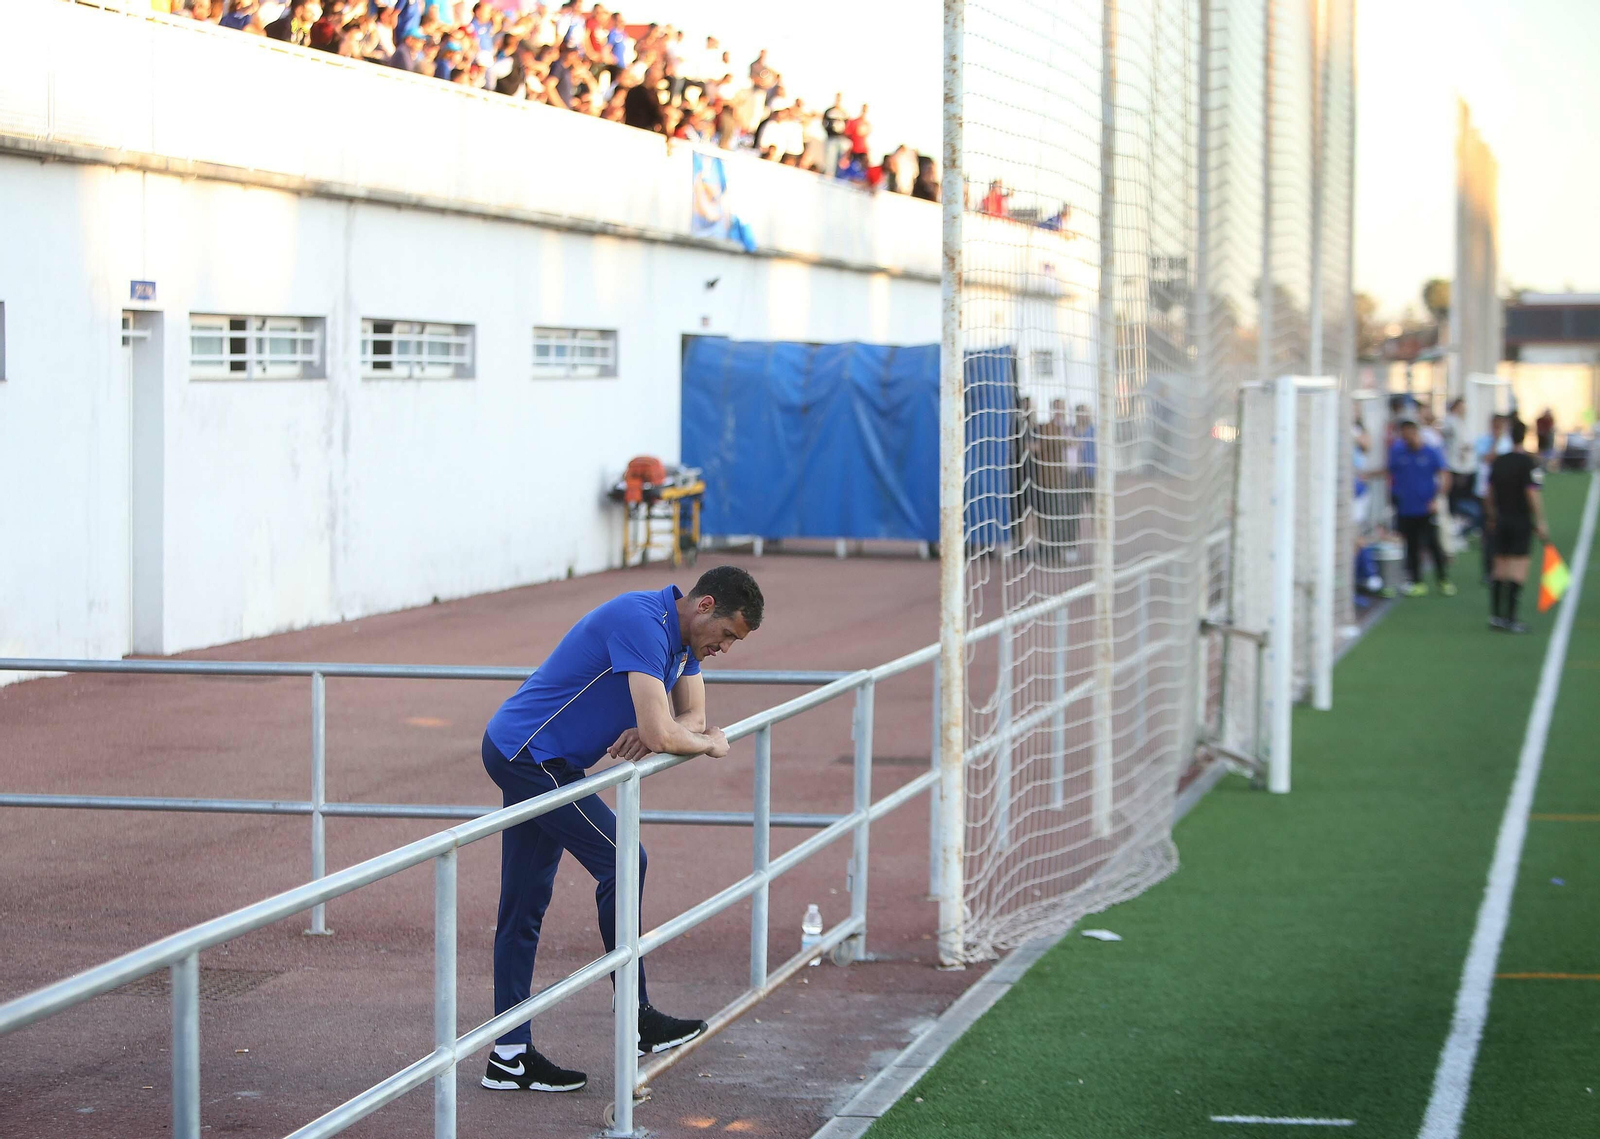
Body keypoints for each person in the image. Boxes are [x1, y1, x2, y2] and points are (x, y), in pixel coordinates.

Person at [480, 566, 765, 1093]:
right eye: (727, 634)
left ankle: (509, 1055)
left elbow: (690, 716)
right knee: (623, 860)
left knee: (524, 903)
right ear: (704, 606)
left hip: (548, 761)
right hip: (527, 756)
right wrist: (706, 743)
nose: (726, 647)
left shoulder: (684, 646)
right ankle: (636, 1018)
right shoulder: (642, 621)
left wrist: (676, 733)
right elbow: (679, 731)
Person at [1485, 419, 1548, 633]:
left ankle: (1495, 615)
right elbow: (1532, 492)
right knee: (1518, 568)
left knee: (1499, 566)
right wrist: (1540, 520)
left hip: (1501, 519)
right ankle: (1511, 617)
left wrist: (1492, 515)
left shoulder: (1499, 461)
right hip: (1520, 520)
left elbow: (1489, 492)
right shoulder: (1527, 462)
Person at [1384, 418, 1455, 597]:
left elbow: (1445, 475)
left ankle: (1443, 579)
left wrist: (1436, 499)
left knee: (1433, 543)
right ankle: (1417, 581)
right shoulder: (1398, 452)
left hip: (1426, 507)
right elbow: (1389, 472)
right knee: (1411, 545)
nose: (1406, 437)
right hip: (1406, 507)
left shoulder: (1430, 452)